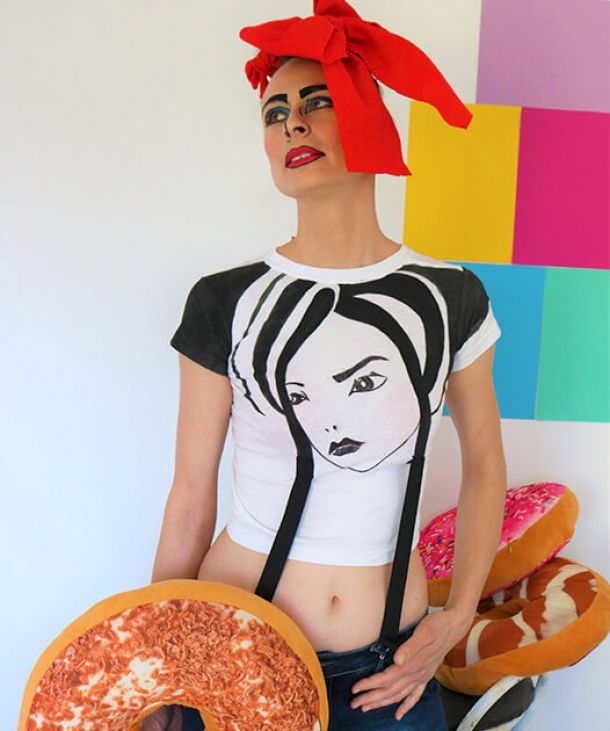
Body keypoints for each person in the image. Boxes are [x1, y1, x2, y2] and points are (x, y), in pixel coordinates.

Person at [141, 49, 507, 730]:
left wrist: (457, 616)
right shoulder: (227, 299)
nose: (292, 124)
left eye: (317, 102)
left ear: (371, 119)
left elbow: (485, 467)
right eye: (274, 113)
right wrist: (159, 665)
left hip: (392, 673)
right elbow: (190, 495)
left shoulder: (449, 296)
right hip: (234, 658)